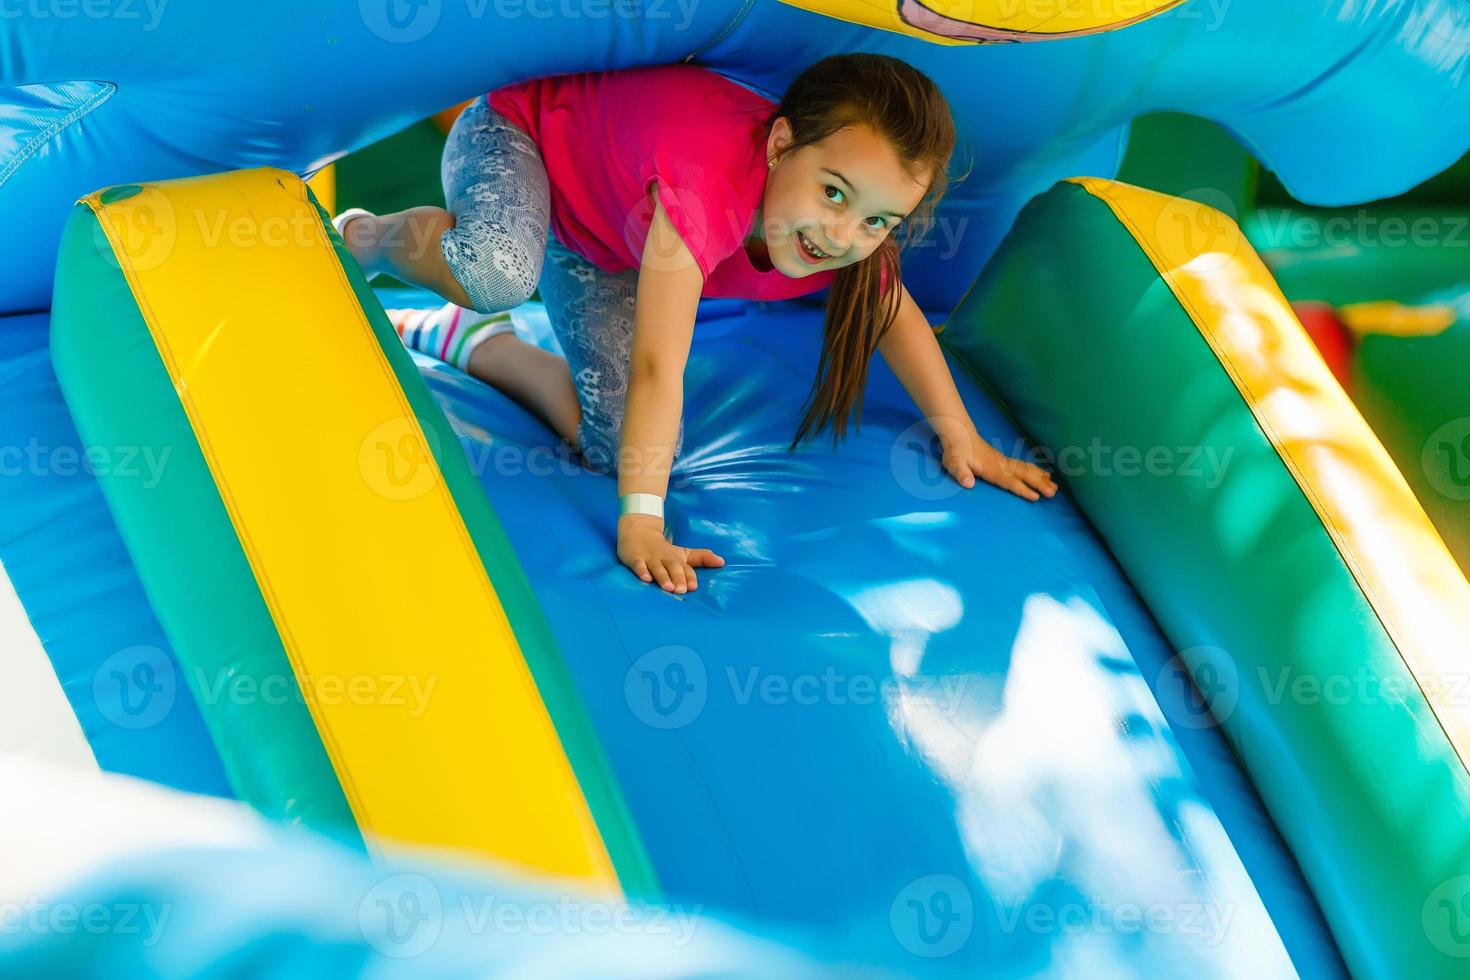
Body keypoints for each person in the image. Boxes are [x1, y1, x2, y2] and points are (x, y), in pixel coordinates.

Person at [335, 54, 1056, 595]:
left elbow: (892, 313)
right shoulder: (702, 194)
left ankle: (471, 340)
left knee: (624, 451)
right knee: (497, 272)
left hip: (608, 239)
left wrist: (963, 438)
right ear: (779, 148)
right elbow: (659, 366)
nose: (844, 234)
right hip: (521, 142)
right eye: (834, 195)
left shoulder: (836, 232)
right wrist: (642, 523)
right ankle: (375, 239)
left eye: (877, 219)